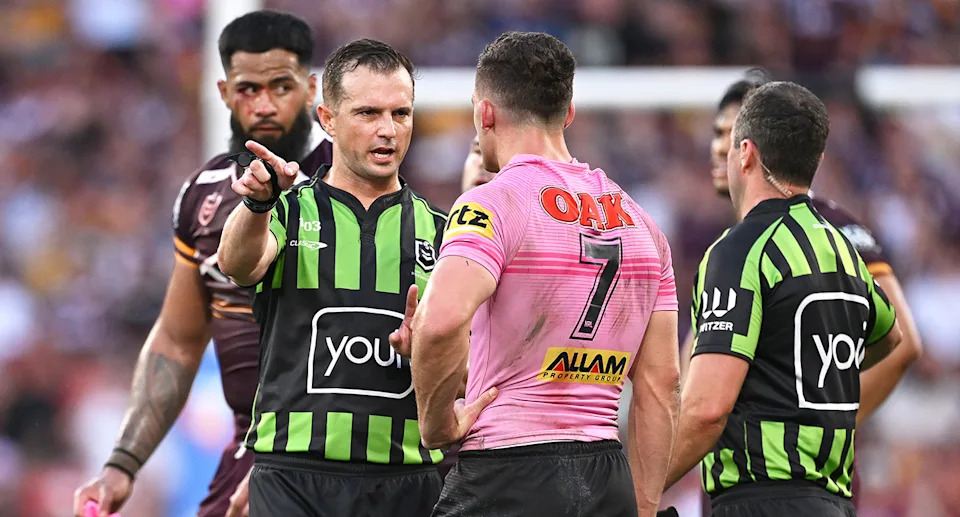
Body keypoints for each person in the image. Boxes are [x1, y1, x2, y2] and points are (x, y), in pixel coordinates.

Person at [401, 31, 681, 517]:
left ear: (485, 113)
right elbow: (662, 385)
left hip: (509, 471)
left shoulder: (492, 205)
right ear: (568, 113)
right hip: (605, 471)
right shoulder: (643, 225)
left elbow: (440, 322)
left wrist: (437, 425)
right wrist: (643, 506)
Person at [72, 11, 332, 517]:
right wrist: (122, 464)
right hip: (247, 449)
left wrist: (293, 465)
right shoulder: (203, 195)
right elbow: (178, 339)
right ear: (224, 93)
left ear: (310, 89)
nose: (264, 105)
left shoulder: (352, 185)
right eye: (248, 89)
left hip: (337, 455)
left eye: (281, 87)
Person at [217, 38, 449, 516]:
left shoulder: (444, 233)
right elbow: (238, 263)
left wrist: (430, 353)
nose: (388, 130)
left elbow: (476, 368)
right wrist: (257, 204)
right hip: (293, 476)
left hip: (407, 479)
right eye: (368, 113)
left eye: (401, 114)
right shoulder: (288, 210)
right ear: (327, 119)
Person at [664, 82, 903, 517]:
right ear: (817, 161)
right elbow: (891, 336)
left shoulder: (738, 251)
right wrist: (804, 377)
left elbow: (706, 410)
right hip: (834, 501)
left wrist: (637, 491)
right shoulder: (843, 250)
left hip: (760, 498)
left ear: (746, 153)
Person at [692, 69, 923, 426]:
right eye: (717, 132)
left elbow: (901, 341)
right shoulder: (736, 240)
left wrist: (822, 426)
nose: (722, 147)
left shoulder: (833, 229)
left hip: (794, 456)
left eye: (734, 133)